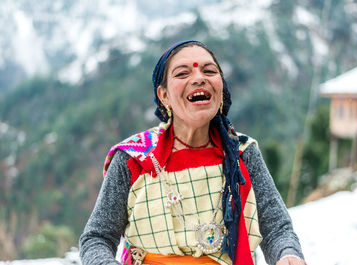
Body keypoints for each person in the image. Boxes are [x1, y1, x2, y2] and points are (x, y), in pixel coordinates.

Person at [79, 40, 306, 265]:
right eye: (182, 74)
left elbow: (276, 228)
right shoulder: (133, 159)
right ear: (164, 95)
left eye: (209, 71)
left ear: (221, 89)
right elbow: (97, 238)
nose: (199, 78)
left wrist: (287, 254)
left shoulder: (242, 155)